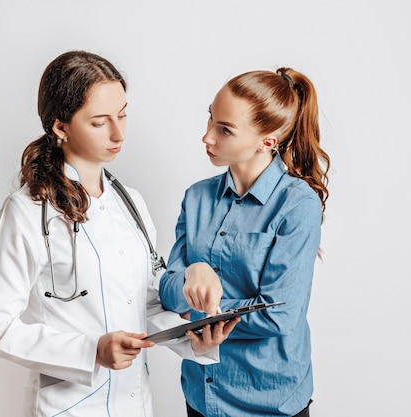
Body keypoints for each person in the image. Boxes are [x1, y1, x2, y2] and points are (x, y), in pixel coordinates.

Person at [0, 50, 236, 417]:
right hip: (68, 407)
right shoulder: (27, 211)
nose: (119, 133)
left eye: (123, 114)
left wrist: (194, 337)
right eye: (100, 122)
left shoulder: (131, 203)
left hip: (134, 404)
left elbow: (141, 302)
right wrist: (90, 350)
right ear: (60, 126)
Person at [158, 67, 330, 417]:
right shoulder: (196, 198)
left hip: (270, 402)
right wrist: (194, 271)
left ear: (268, 140)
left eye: (225, 129)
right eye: (210, 118)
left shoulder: (298, 205)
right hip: (202, 396)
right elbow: (167, 289)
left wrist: (202, 315)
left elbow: (279, 313)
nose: (207, 137)